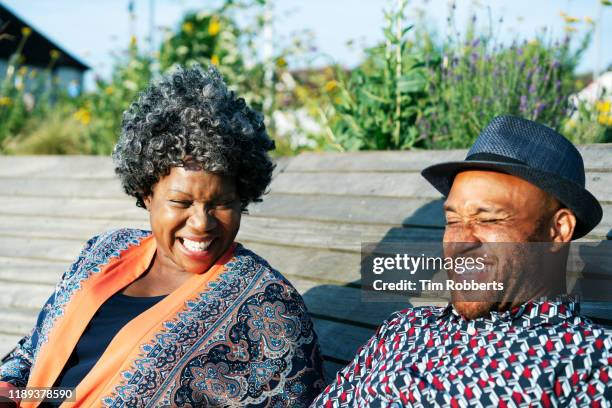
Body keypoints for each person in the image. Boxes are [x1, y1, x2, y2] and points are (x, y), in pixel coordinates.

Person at [0, 65, 324, 407]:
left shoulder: (268, 307)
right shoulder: (106, 251)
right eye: (181, 202)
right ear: (146, 194)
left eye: (223, 203)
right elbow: (40, 361)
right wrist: (10, 389)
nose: (201, 223)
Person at [311, 116, 612, 407]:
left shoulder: (590, 360)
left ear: (557, 230)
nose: (459, 242)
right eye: (453, 220)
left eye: (488, 218)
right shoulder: (404, 328)